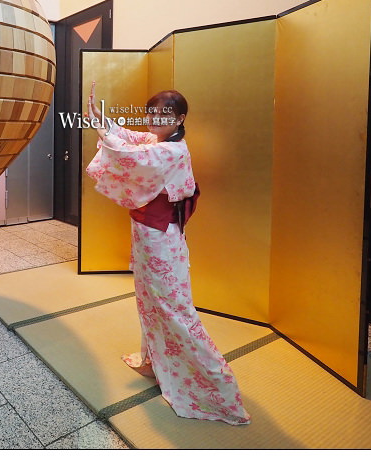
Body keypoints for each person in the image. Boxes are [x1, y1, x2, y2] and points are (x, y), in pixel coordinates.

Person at [85, 82, 250, 426]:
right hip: (149, 236)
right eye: (152, 112)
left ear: (180, 119)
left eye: (164, 114)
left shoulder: (172, 151)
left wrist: (108, 133)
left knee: (174, 309)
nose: (154, 119)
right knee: (148, 301)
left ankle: (218, 389)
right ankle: (153, 362)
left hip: (161, 239)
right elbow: (130, 138)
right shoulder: (159, 141)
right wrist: (105, 121)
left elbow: (130, 155)